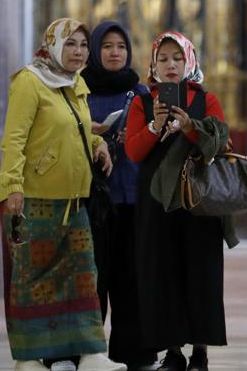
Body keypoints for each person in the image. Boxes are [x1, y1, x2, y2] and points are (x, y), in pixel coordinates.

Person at [0, 18, 127, 371]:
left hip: (74, 196)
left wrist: (98, 143)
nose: (78, 51)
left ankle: (90, 354)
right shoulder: (30, 80)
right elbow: (15, 138)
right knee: (33, 278)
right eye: (70, 44)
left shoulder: (75, 82)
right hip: (35, 197)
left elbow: (76, 127)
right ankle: (28, 358)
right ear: (53, 45)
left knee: (84, 276)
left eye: (83, 45)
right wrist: (12, 187)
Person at [125, 31, 232, 371]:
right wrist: (156, 125)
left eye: (177, 58)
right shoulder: (142, 103)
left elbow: (219, 143)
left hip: (198, 202)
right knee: (161, 272)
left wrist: (189, 126)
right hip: (156, 203)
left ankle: (200, 351)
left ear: (189, 61)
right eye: (163, 59)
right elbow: (134, 152)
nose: (171, 65)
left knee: (202, 272)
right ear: (153, 64)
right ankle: (172, 352)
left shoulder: (206, 99)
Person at [81, 20, 156, 370]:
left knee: (131, 279)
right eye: (107, 46)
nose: (115, 53)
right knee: (93, 278)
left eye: (121, 47)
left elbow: (153, 143)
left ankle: (134, 353)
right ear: (95, 51)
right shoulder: (78, 90)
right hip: (93, 198)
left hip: (132, 197)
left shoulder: (139, 92)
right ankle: (89, 352)